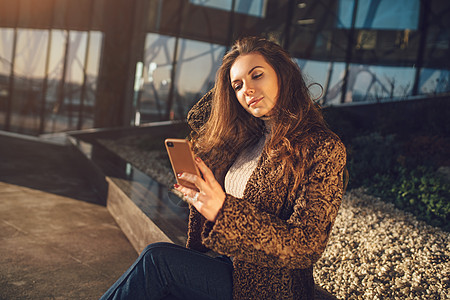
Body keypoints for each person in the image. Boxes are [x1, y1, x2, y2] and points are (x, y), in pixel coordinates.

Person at [100, 36, 347, 300]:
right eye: (237, 85)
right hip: (228, 263)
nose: (246, 90)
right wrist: (203, 197)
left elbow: (307, 245)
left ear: (283, 74)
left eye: (257, 75)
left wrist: (223, 210)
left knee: (156, 260)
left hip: (271, 287)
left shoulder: (322, 147)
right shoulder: (250, 139)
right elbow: (200, 115)